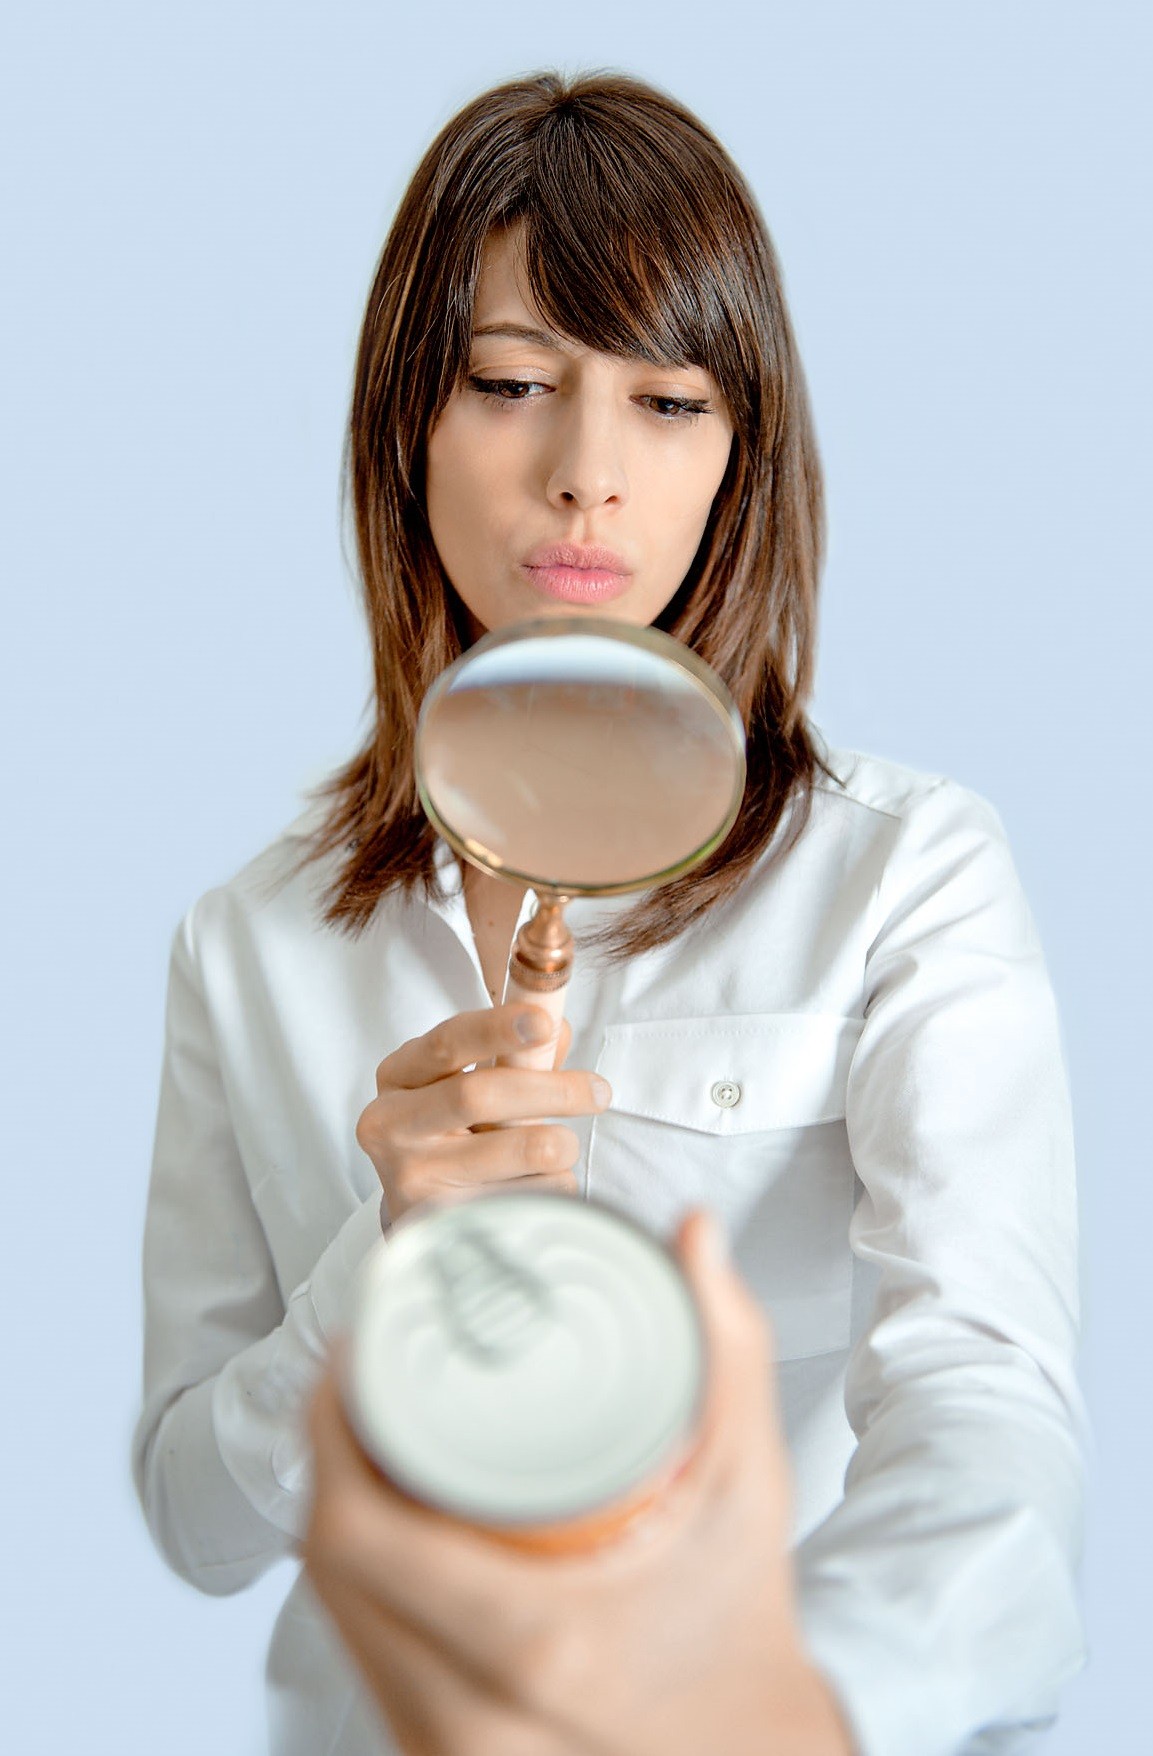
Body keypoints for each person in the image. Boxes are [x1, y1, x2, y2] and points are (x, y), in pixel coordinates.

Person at [132, 70, 1085, 1756]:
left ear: (738, 456)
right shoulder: (251, 939)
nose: (586, 476)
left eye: (666, 403)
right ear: (407, 420)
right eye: (511, 384)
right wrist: (377, 1269)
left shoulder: (904, 876)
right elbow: (195, 1521)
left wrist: (780, 1707)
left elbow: (986, 1408)